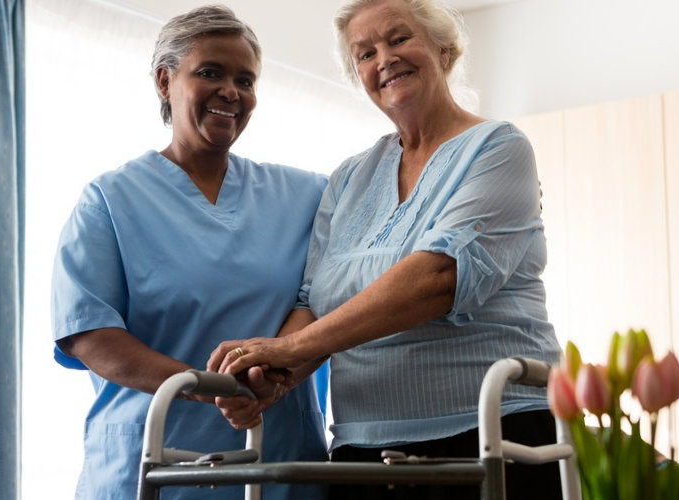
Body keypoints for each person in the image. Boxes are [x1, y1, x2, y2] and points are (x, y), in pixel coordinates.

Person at [208, 0, 563, 498]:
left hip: (492, 434)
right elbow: (312, 301)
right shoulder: (350, 177)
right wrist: (278, 378)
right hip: (363, 448)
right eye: (365, 53)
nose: (384, 59)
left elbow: (439, 278)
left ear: (443, 48)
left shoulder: (498, 147)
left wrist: (287, 350)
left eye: (399, 39)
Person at [49, 5, 328, 499]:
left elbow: (322, 303)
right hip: (152, 464)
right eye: (210, 73)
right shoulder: (110, 201)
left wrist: (271, 379)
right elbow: (90, 334)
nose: (231, 92)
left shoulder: (305, 196)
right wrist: (209, 386)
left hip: (278, 465)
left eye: (246, 80)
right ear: (164, 81)